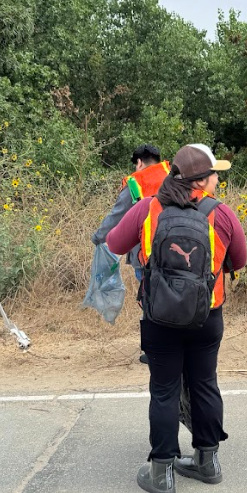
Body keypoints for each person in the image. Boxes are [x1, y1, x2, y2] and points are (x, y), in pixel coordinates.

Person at [107, 143, 247, 493]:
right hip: (207, 314)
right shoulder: (222, 213)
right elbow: (239, 260)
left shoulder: (148, 208)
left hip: (160, 316)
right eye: (216, 174)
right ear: (201, 180)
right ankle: (207, 462)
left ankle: (162, 473)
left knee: (165, 389)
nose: (218, 179)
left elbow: (114, 242)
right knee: (204, 384)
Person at [92, 143, 169, 364]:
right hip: (176, 249)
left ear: (139, 162)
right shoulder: (174, 176)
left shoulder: (135, 183)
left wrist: (98, 237)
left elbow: (117, 216)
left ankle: (154, 349)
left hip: (146, 254)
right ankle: (174, 343)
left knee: (150, 299)